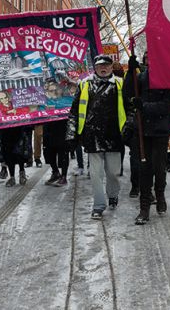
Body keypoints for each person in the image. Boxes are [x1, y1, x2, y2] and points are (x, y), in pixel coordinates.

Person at [66, 54, 125, 220]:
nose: (103, 68)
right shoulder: (85, 84)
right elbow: (74, 111)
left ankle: (113, 194)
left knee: (113, 172)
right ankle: (98, 205)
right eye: (100, 66)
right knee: (95, 174)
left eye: (106, 65)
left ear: (112, 67)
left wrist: (129, 127)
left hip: (114, 135)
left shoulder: (120, 84)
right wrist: (72, 133)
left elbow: (129, 108)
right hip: (92, 136)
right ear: (95, 68)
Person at [124, 51, 170, 224]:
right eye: (147, 58)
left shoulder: (168, 78)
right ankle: (144, 208)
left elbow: (168, 106)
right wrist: (130, 73)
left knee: (158, 167)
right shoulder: (141, 77)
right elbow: (128, 94)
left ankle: (160, 194)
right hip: (142, 130)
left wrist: (145, 106)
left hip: (160, 131)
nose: (150, 61)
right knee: (144, 168)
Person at [43, 119, 70, 186]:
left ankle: (64, 176)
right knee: (49, 151)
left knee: (63, 152)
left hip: (62, 125)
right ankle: (55, 172)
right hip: (49, 122)